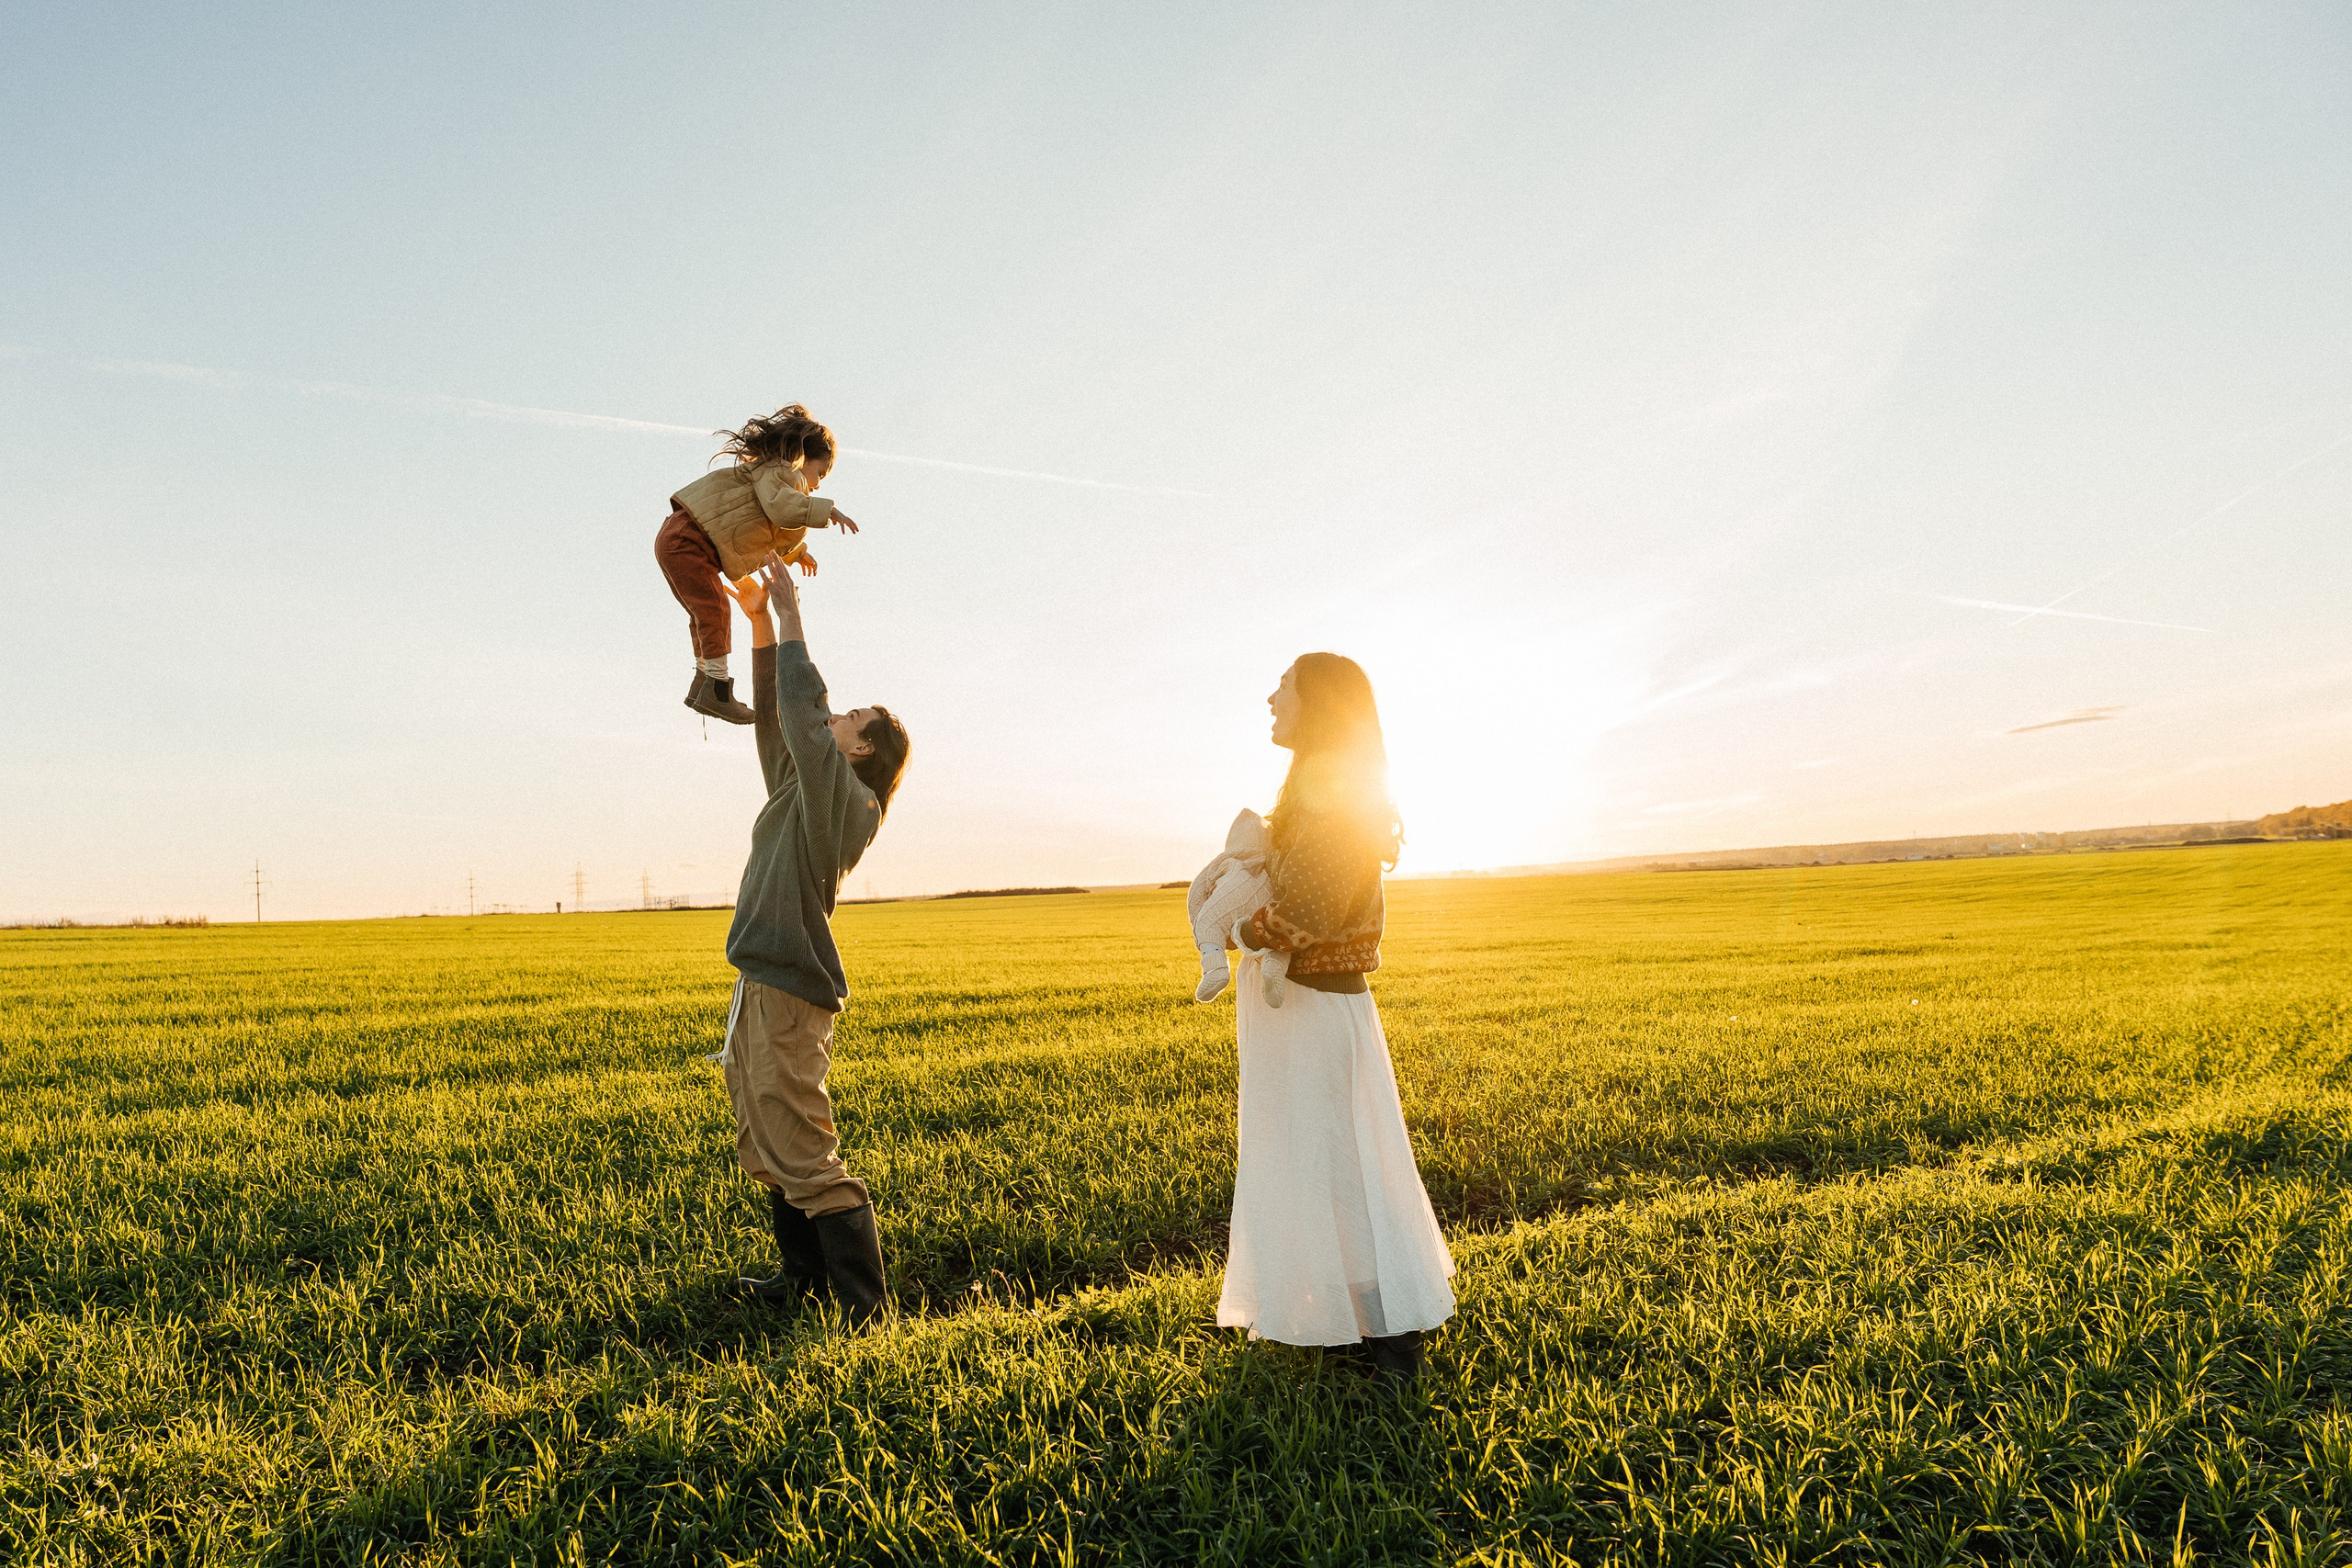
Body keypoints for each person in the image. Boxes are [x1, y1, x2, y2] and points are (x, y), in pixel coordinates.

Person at [1216, 653, 1455, 1386]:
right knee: (1304, 1159)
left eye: (1283, 685)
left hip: (1319, 1005)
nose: (1269, 697)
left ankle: (1395, 1340)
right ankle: (1341, 1320)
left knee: (1348, 1162)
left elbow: (1309, 912)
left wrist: (1239, 931)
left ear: (1318, 701)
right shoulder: (1315, 790)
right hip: (1298, 1010)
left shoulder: (1337, 795)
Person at [712, 558, 909, 1324]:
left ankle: (864, 1310)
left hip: (791, 993)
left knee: (804, 1149)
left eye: (845, 719)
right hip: (759, 982)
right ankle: (803, 1282)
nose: (830, 720)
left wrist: (792, 617)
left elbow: (800, 709)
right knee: (765, 1141)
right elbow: (779, 724)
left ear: (861, 750)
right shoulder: (806, 788)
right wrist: (759, 623)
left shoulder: (849, 800)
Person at [657, 403, 865, 725]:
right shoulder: (781, 471)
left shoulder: (777, 482)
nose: (818, 484)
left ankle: (703, 684)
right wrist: (828, 511)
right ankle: (718, 689)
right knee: (715, 610)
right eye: (820, 473)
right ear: (802, 458)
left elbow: (771, 532)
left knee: (703, 613)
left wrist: (796, 553)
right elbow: (782, 509)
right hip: (690, 539)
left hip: (682, 538)